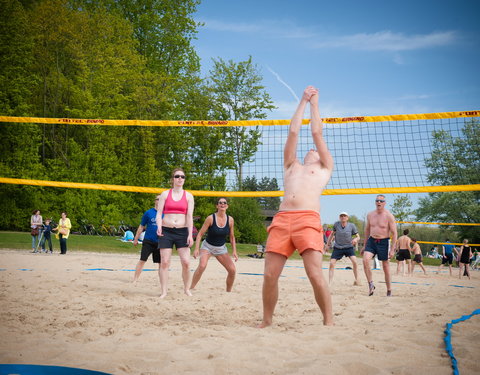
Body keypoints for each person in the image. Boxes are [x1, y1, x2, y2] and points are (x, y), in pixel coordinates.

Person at [260, 86, 334, 328]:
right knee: (270, 275)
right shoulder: (291, 165)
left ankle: (328, 321)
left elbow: (316, 132)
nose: (310, 150)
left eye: (314, 150)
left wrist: (314, 103)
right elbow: (293, 131)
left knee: (314, 274)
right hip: (282, 219)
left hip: (307, 220)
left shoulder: (324, 167)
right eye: (309, 150)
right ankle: (267, 320)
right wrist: (301, 100)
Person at [156, 168, 195, 298]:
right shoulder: (165, 194)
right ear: (173, 179)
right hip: (166, 231)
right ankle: (164, 292)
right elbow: (159, 213)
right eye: (177, 176)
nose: (180, 179)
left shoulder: (189, 196)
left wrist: (190, 235)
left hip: (182, 231)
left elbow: (189, 216)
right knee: (165, 262)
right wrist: (159, 226)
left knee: (186, 262)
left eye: (182, 177)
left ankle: (186, 289)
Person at [190, 197, 238, 292]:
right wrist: (196, 249)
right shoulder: (211, 218)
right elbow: (199, 234)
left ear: (227, 206)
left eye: (224, 203)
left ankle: (228, 292)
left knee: (232, 270)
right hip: (207, 247)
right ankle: (191, 287)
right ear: (217, 206)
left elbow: (232, 237)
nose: (222, 204)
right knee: (202, 266)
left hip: (220, 249)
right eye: (220, 203)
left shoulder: (230, 220)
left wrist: (234, 251)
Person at [361, 195, 397, 297]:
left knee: (386, 266)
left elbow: (394, 233)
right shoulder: (370, 214)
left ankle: (389, 290)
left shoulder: (389, 216)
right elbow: (367, 229)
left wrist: (392, 250)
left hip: (384, 241)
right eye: (377, 200)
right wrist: (364, 245)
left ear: (385, 203)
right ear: (375, 202)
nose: (379, 202)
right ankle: (371, 284)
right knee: (365, 260)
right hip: (372, 241)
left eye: (381, 201)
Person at [326, 212, 361, 285]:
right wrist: (327, 244)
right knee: (332, 263)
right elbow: (332, 234)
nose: (343, 217)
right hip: (338, 247)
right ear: (339, 218)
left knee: (354, 261)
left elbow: (358, 237)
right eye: (341, 216)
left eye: (344, 216)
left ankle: (357, 280)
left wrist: (355, 239)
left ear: (347, 218)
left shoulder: (351, 226)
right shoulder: (336, 224)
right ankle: (330, 282)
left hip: (348, 247)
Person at [132, 197, 160, 284]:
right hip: (148, 241)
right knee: (142, 260)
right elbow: (141, 226)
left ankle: (162, 281)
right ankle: (135, 279)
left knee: (161, 264)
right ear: (155, 201)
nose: (159, 201)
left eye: (161, 199)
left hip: (160, 242)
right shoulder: (148, 213)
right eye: (158, 199)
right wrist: (136, 238)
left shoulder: (165, 213)